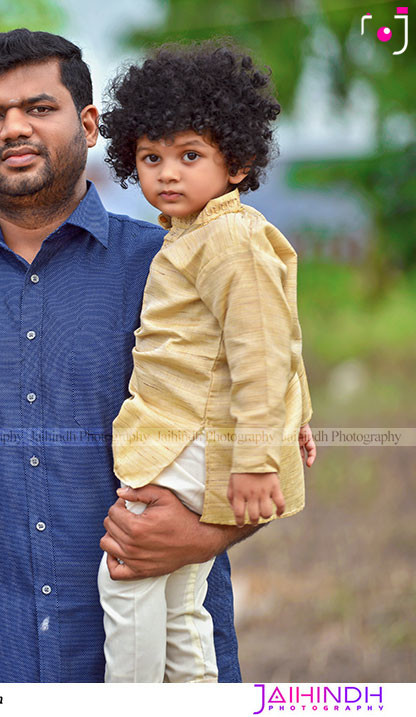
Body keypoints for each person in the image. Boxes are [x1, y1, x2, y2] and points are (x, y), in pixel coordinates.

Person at [0, 29, 254, 682]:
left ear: (88, 122)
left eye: (38, 108)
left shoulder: (178, 267)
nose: (13, 129)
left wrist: (203, 535)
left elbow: (269, 435)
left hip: (169, 667)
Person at [95, 40, 318, 683]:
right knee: (179, 594)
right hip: (190, 434)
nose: (168, 173)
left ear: (239, 161)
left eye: (190, 155)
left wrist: (257, 456)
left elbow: (263, 349)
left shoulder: (227, 236)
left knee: (127, 574)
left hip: (190, 439)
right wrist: (294, 416)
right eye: (151, 157)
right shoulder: (196, 232)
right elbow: (273, 334)